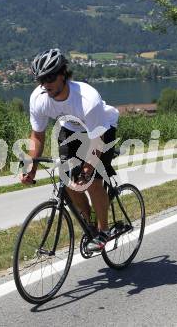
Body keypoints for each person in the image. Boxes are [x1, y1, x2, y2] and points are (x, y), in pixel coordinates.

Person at [20, 48, 119, 251]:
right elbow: (37, 135)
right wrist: (31, 168)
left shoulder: (87, 99)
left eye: (50, 77)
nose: (46, 84)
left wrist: (87, 169)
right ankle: (89, 226)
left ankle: (104, 231)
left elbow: (97, 141)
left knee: (91, 182)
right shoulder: (39, 99)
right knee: (69, 183)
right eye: (41, 79)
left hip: (101, 130)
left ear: (63, 74)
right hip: (70, 129)